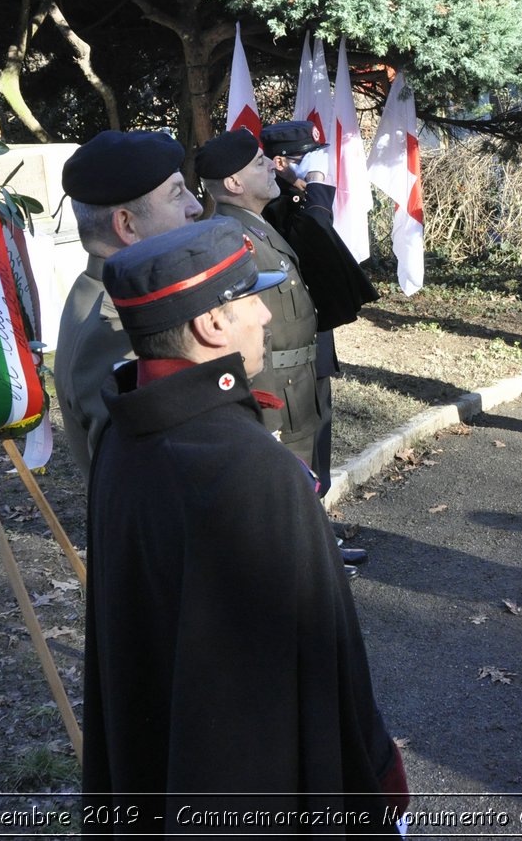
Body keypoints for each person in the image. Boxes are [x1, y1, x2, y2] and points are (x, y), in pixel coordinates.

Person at [82, 217, 408, 831]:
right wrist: (378, 783)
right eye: (248, 299)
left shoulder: (125, 436)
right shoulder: (254, 468)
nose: (263, 315)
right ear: (210, 324)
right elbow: (325, 654)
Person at [55, 129, 202, 475]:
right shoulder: (119, 328)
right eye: (176, 194)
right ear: (127, 225)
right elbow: (149, 473)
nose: (195, 206)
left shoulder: (99, 291)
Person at [196, 129, 324, 467]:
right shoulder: (231, 240)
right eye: (259, 162)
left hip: (297, 390)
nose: (272, 165)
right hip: (277, 404)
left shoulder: (255, 227)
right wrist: (267, 419)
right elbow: (239, 340)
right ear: (235, 184)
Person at [259, 121, 380, 475]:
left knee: (320, 435)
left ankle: (320, 514)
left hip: (315, 337)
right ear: (280, 163)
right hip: (288, 348)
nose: (318, 167)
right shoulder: (277, 204)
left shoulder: (302, 198)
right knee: (299, 451)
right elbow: (318, 242)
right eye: (307, 158)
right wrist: (317, 196)